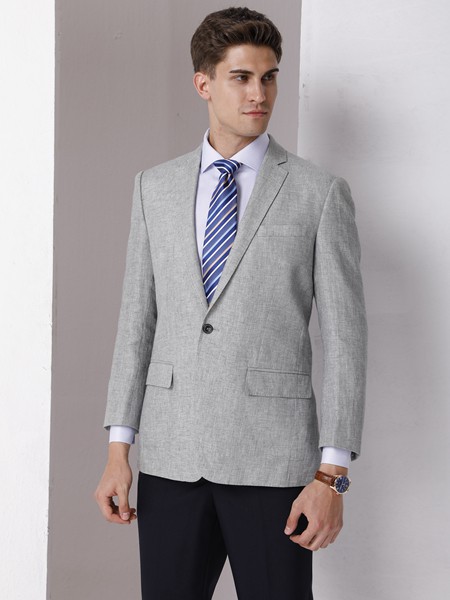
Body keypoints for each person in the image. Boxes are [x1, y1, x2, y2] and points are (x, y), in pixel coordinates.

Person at [94, 7, 368, 599]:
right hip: (171, 458)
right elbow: (137, 322)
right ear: (203, 83)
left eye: (268, 77)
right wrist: (119, 451)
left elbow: (346, 340)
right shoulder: (154, 187)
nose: (259, 94)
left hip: (274, 462)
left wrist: (332, 476)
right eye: (241, 77)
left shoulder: (319, 193)